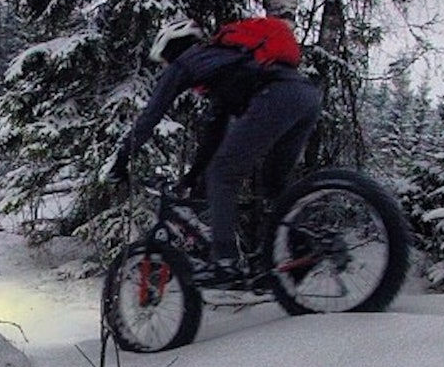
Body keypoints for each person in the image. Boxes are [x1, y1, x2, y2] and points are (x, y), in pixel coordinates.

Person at [107, 16, 322, 287]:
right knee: (273, 185)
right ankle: (302, 247)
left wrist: (121, 160)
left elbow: (150, 116)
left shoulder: (187, 62)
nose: (166, 67)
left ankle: (225, 261)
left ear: (170, 49)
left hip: (275, 96)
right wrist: (192, 176)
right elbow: (214, 133)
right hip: (306, 97)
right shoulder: (225, 65)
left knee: (222, 174)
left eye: (164, 61)